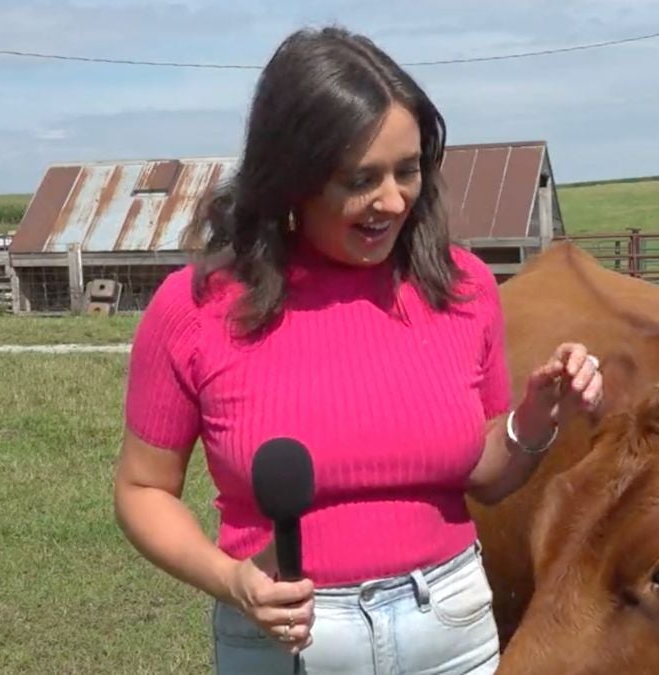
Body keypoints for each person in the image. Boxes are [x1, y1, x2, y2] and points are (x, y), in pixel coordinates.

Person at [113, 24, 604, 675]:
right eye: (360, 179)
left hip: (450, 629)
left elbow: (484, 473)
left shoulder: (462, 288)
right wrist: (232, 579)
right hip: (283, 644)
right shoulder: (194, 308)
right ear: (293, 178)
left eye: (408, 171)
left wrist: (534, 419)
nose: (394, 200)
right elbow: (143, 490)